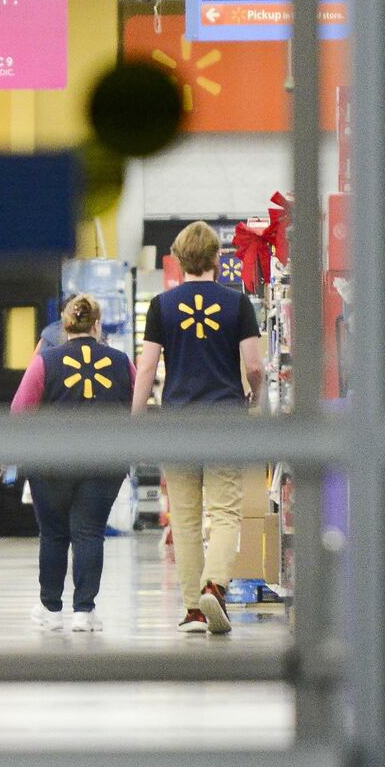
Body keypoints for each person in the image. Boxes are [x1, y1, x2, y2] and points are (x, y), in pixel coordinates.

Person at [131, 222, 264, 635]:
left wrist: (136, 416)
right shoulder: (238, 304)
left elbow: (148, 366)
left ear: (179, 256)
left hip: (178, 421)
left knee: (185, 520)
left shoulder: (161, 305)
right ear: (217, 258)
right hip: (225, 417)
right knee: (225, 512)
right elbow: (256, 365)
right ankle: (215, 584)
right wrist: (254, 397)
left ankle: (192, 609)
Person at [10, 295, 134, 633]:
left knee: (53, 535)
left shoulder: (45, 362)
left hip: (51, 462)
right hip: (104, 462)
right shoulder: (122, 362)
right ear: (97, 325)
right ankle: (84, 610)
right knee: (89, 532)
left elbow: (21, 409)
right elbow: (135, 407)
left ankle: (51, 610)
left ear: (64, 325)